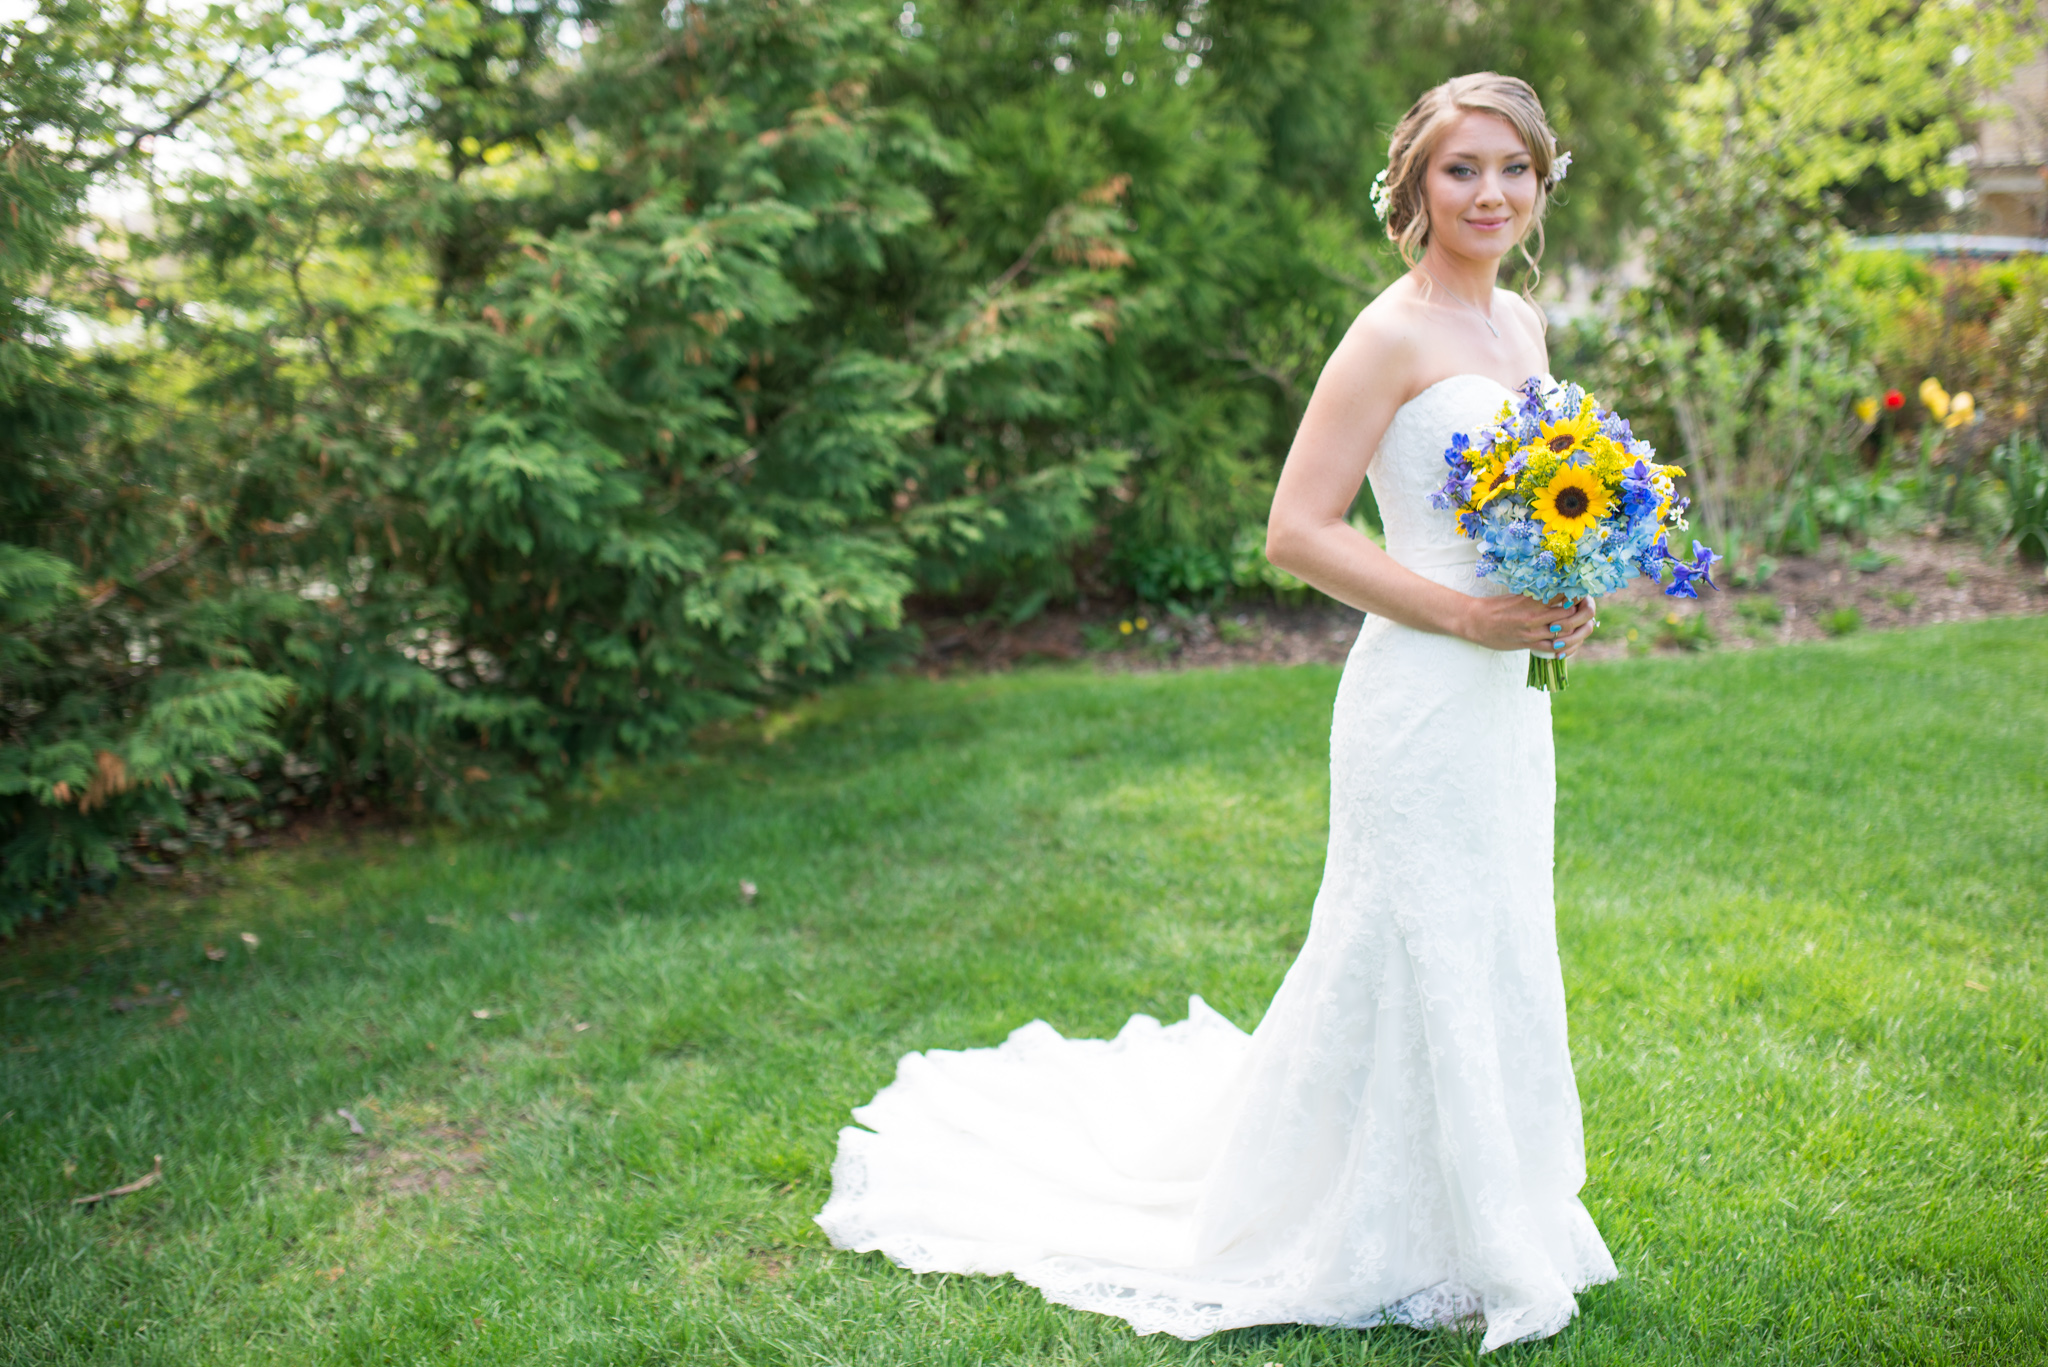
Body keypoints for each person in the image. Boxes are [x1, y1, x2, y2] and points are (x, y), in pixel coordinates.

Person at [816, 72, 1617, 1353]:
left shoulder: (1521, 325)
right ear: (1413, 184)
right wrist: (1459, 614)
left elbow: (1526, 505)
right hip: (1416, 691)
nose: (1489, 194)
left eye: (1512, 169)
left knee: (1497, 929)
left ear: (1540, 184)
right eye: (1462, 168)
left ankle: (1487, 1210)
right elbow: (1294, 531)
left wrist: (1556, 589)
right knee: (1406, 936)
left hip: (1503, 697)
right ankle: (1380, 1225)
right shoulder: (1388, 333)